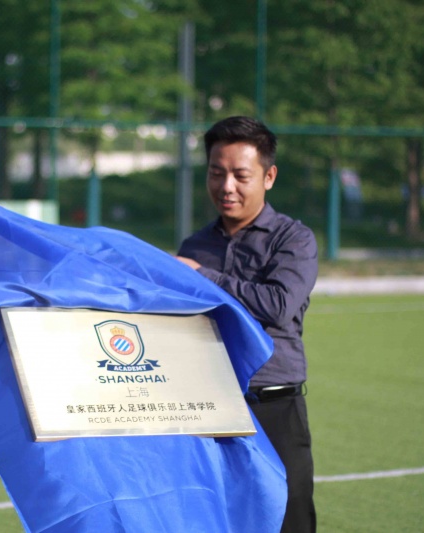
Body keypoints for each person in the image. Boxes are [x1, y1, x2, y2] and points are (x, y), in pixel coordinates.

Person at [176, 116, 318, 532]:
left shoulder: (294, 239)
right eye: (216, 173)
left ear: (269, 176)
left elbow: (277, 304)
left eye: (241, 175)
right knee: (218, 520)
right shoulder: (195, 245)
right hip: (210, 410)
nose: (226, 187)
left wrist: (203, 276)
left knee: (289, 521)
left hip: (275, 406)